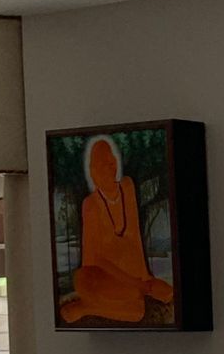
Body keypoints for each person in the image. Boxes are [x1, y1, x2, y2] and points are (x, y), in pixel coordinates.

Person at [59, 135, 171, 324]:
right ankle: (89, 307)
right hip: (105, 278)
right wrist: (137, 284)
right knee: (88, 281)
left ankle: (93, 306)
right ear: (93, 171)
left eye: (112, 161)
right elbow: (95, 260)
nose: (110, 166)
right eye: (103, 164)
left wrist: (146, 278)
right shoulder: (91, 205)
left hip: (133, 274)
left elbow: (134, 236)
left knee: (167, 293)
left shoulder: (127, 187)